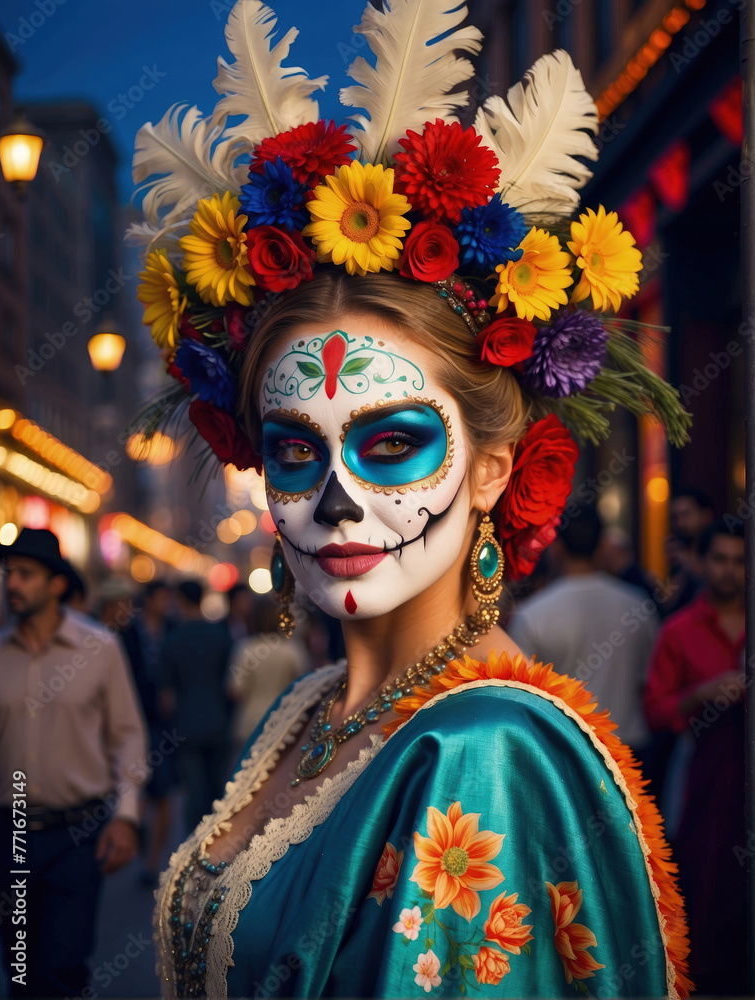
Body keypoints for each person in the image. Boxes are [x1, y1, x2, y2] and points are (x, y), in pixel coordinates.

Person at [133, 4, 693, 995]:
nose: (337, 502)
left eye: (392, 444)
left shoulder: (482, 750)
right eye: (296, 450)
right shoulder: (307, 710)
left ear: (491, 465)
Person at [0, 528, 148, 998]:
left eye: (25, 574)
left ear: (56, 584)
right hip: (9, 835)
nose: (12, 584)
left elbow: (128, 735)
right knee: (19, 971)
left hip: (76, 835)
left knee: (62, 969)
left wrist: (125, 817)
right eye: (9, 574)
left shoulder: (98, 647)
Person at [643, 519, 745, 996]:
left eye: (740, 561)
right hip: (703, 779)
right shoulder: (680, 631)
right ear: (703, 563)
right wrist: (700, 694)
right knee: (702, 880)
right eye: (720, 559)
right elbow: (655, 710)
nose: (730, 571)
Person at [508, 505, 658, 756]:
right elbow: (651, 679)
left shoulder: (532, 614)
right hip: (630, 748)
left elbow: (518, 697)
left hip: (565, 751)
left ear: (556, 548)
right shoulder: (638, 605)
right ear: (602, 547)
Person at [161, 580, 233, 832]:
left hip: (187, 725)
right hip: (218, 722)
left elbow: (167, 697)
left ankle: (193, 851)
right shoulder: (221, 636)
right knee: (216, 791)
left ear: (180, 600)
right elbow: (231, 684)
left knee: (193, 791)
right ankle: (216, 847)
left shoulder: (172, 640)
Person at [120, 578, 178, 887]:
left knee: (163, 794)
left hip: (163, 725)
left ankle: (153, 859)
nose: (166, 603)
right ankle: (141, 849)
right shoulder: (128, 634)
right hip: (133, 721)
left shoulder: (172, 627)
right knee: (137, 788)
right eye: (161, 598)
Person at [227, 596, 310, 763]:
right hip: (285, 721)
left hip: (250, 722)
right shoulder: (293, 649)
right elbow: (305, 685)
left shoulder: (245, 648)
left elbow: (235, 690)